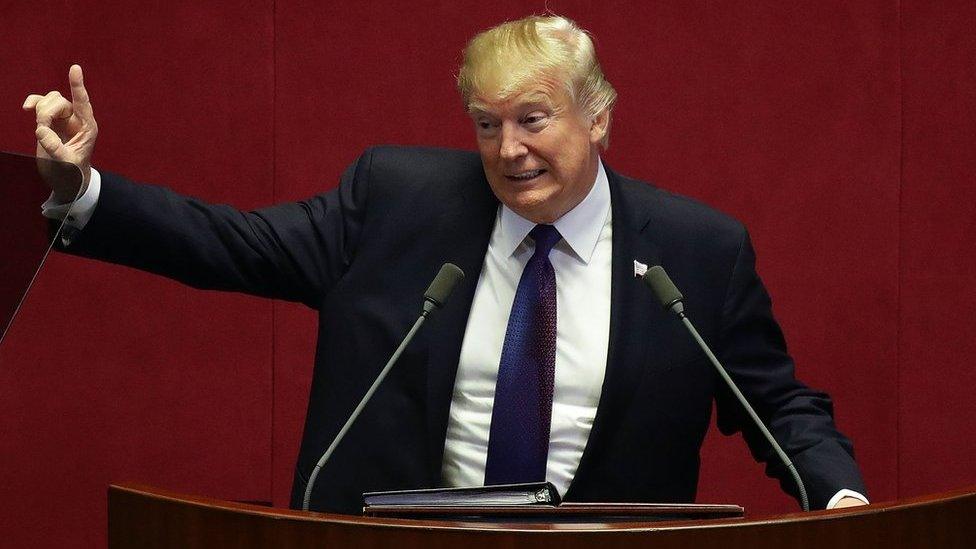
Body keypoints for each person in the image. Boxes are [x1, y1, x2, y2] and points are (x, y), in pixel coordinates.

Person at [22, 15, 868, 513]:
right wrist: (82, 189)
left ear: (599, 116)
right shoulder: (395, 200)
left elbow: (777, 403)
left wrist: (840, 502)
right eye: (486, 124)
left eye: (533, 119)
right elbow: (231, 243)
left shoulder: (698, 251)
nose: (509, 149)